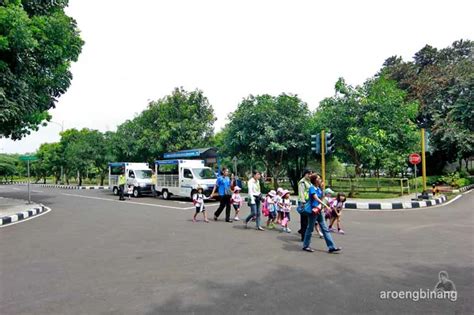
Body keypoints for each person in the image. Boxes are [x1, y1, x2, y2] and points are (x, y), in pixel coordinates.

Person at [302, 174, 341, 253]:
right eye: (319, 178)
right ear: (315, 180)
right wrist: (326, 205)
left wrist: (322, 189)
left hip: (319, 211)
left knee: (325, 229)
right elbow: (315, 197)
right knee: (310, 228)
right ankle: (306, 246)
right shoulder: (312, 188)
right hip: (313, 211)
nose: (320, 180)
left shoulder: (319, 188)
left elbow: (322, 197)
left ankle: (331, 247)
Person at [297, 169, 313, 241]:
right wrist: (303, 202)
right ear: (305, 174)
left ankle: (305, 233)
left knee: (308, 219)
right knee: (304, 220)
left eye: (311, 174)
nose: (310, 175)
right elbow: (301, 193)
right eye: (308, 174)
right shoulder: (302, 182)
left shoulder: (309, 182)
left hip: (309, 201)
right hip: (304, 202)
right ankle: (303, 236)